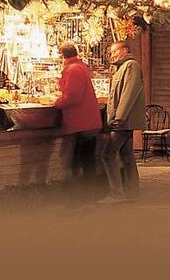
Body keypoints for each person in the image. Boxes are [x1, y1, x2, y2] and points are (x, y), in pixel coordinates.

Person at [54, 42, 103, 199]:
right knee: (87, 161)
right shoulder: (80, 67)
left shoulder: (73, 69)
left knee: (76, 162)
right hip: (88, 122)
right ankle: (88, 196)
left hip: (80, 124)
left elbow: (73, 97)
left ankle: (77, 197)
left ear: (62, 55)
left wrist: (57, 103)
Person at [99, 41, 145, 204]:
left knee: (108, 154)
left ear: (124, 50)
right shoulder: (120, 68)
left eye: (114, 52)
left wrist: (119, 118)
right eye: (111, 53)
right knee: (127, 156)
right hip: (123, 120)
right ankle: (131, 192)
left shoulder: (130, 66)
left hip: (123, 121)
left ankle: (117, 193)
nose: (112, 55)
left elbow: (129, 93)